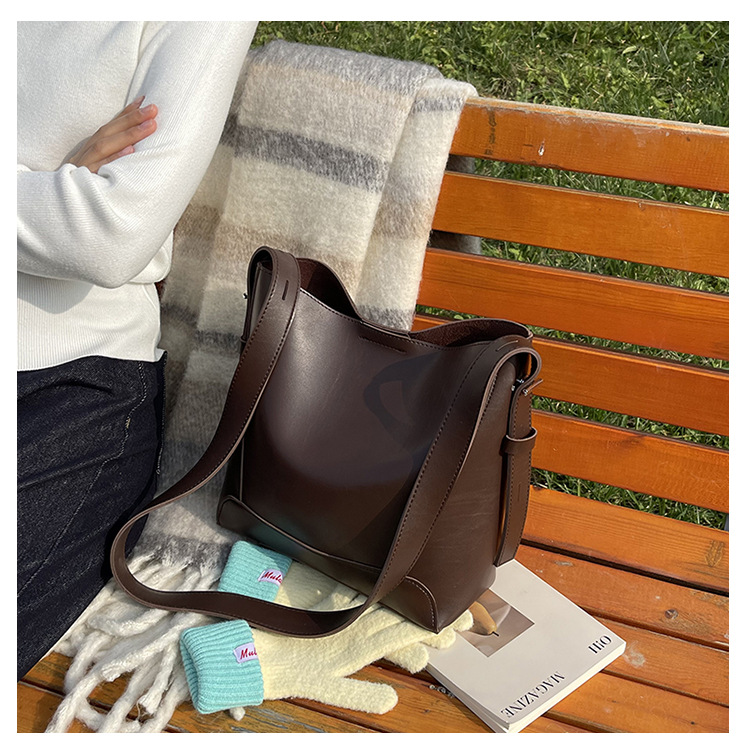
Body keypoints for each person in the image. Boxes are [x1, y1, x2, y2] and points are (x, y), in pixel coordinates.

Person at [17, 21, 258, 680]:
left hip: (69, 384)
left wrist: (68, 204)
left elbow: (110, 236)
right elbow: (81, 225)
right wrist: (50, 190)